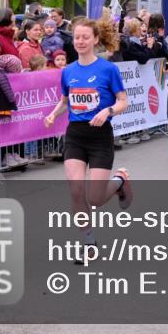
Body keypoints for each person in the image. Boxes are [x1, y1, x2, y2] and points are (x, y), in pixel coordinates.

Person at [43, 18, 132, 262]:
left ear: (95, 40)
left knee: (94, 198)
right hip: (75, 135)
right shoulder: (68, 70)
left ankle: (120, 181)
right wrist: (52, 114)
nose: (80, 41)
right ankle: (88, 243)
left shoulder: (108, 69)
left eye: (85, 37)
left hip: (100, 136)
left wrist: (108, 111)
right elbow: (65, 100)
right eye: (77, 37)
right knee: (76, 190)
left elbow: (123, 101)